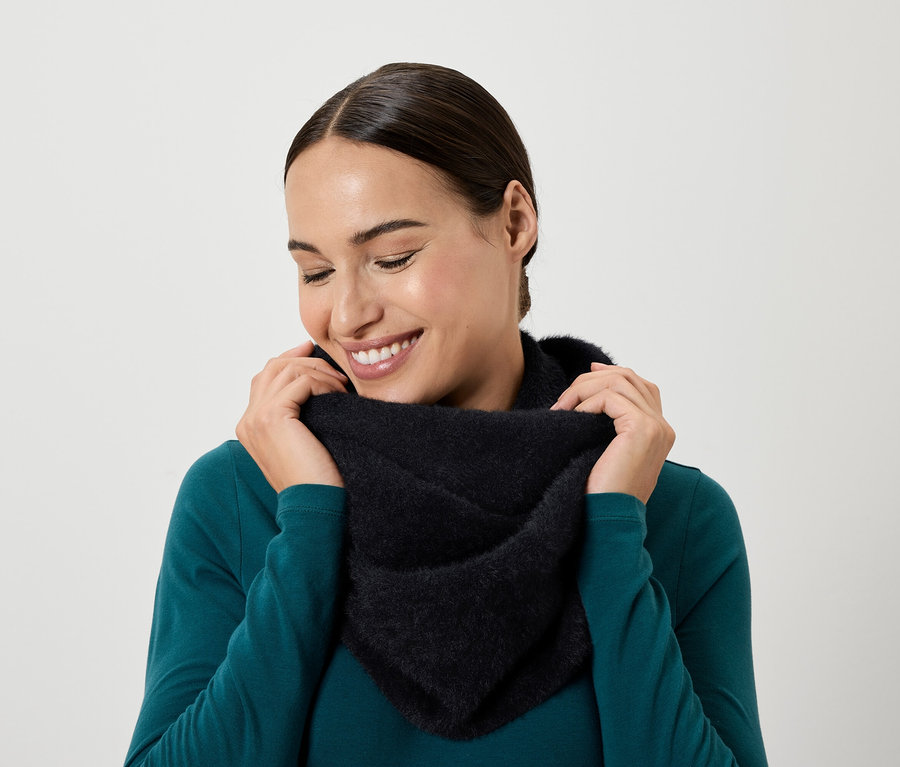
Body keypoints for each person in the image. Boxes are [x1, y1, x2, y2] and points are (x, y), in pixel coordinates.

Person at [125, 63, 767, 766]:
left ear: (515, 221)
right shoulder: (242, 496)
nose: (347, 314)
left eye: (392, 257)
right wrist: (309, 521)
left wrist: (613, 536)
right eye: (315, 271)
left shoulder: (670, 513)